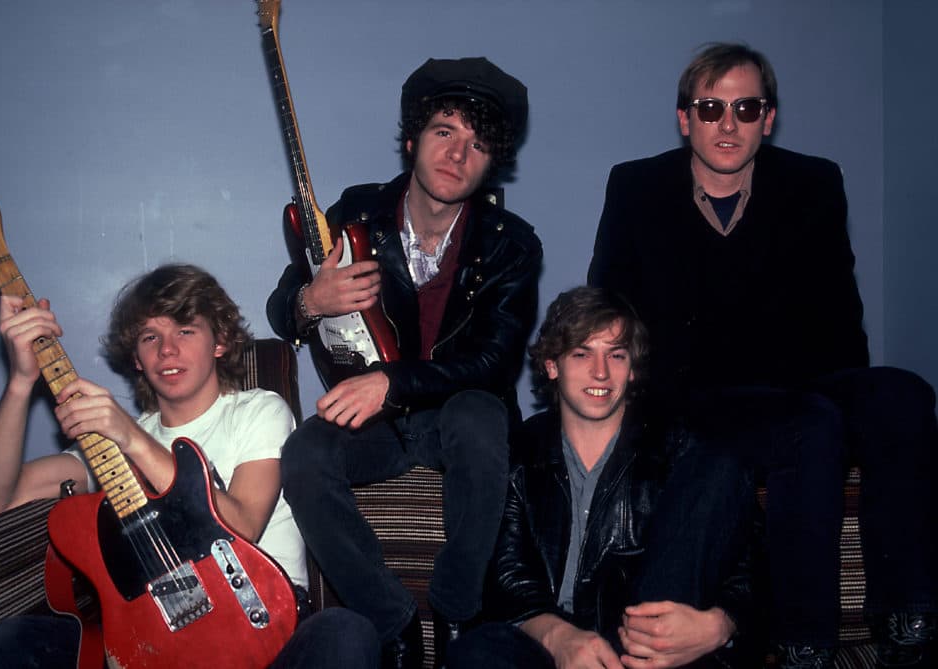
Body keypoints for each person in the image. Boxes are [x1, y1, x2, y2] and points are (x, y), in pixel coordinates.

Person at [588, 42, 937, 668]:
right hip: (693, 394)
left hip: (798, 386)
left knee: (904, 393)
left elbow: (841, 314)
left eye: (746, 108)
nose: (728, 124)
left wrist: (847, 401)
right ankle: (803, 640)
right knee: (810, 425)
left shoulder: (813, 182)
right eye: (711, 107)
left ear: (768, 119)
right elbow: (607, 308)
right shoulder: (638, 186)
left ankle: (906, 616)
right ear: (684, 117)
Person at [267, 57, 542, 668]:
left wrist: (391, 382)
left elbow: (496, 362)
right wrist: (311, 300)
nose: (457, 153)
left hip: (457, 418)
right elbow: (281, 309)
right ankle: (389, 624)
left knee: (479, 414)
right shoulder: (355, 213)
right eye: (445, 131)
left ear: (492, 161)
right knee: (304, 454)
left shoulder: (512, 242)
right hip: (379, 429)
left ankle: (456, 610)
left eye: (476, 144)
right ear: (414, 139)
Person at [0, 263, 379, 669]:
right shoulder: (110, 444)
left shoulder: (260, 410)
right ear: (136, 358)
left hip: (271, 629)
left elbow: (242, 525)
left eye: (185, 330)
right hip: (155, 640)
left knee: (346, 632)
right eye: (151, 336)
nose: (167, 349)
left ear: (219, 342)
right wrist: (21, 381)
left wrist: (131, 437)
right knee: (7, 644)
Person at [447, 286, 758, 669]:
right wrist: (559, 638)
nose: (601, 372)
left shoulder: (682, 450)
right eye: (582, 353)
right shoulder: (519, 450)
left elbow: (747, 568)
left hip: (647, 642)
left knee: (723, 460)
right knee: (476, 653)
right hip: (545, 645)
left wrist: (719, 625)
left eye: (616, 354)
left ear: (631, 369)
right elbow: (507, 581)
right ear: (552, 365)